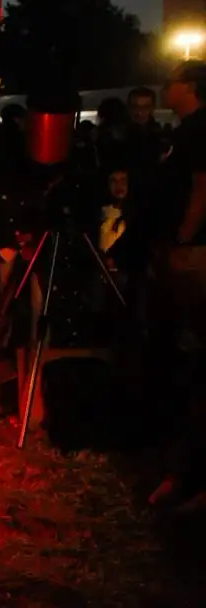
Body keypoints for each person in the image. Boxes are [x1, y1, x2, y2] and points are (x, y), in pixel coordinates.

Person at [149, 62, 206, 509]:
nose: (165, 89)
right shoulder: (186, 130)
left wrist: (185, 238)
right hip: (186, 250)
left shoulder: (199, 130)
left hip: (194, 254)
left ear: (190, 87)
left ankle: (188, 475)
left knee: (195, 352)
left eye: (171, 83)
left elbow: (202, 187)